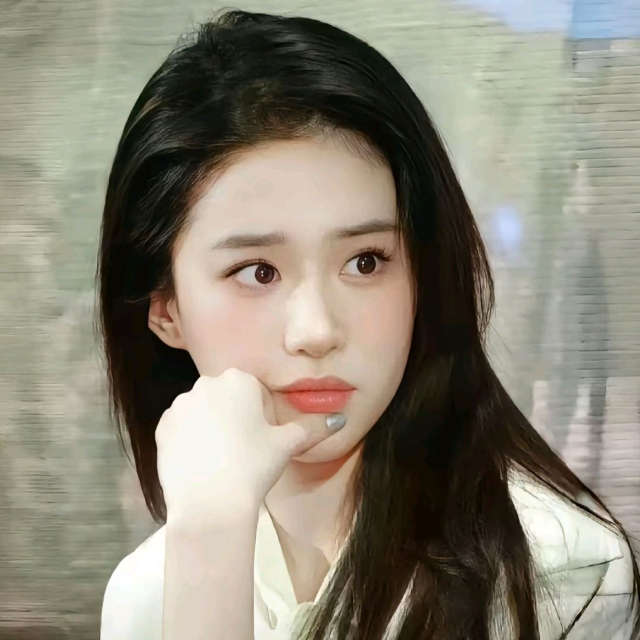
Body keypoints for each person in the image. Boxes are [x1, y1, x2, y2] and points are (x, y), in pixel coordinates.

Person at [96, 8, 640, 640]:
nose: (317, 331)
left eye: (365, 261)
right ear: (165, 308)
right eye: (257, 272)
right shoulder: (146, 593)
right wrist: (210, 541)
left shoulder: (564, 570)